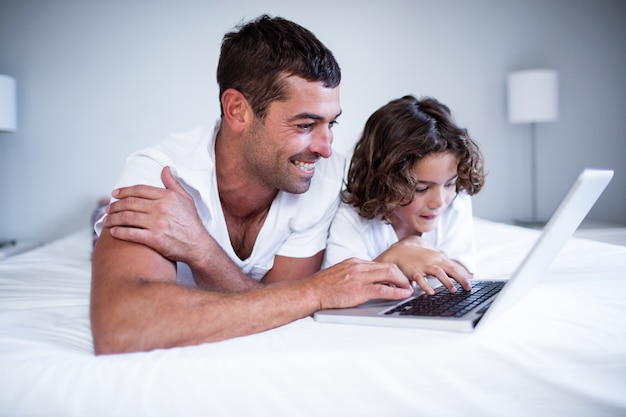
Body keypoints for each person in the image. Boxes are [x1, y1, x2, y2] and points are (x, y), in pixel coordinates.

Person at [90, 15, 413, 355]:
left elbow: (282, 310)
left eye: (332, 123)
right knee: (105, 224)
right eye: (305, 125)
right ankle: (99, 213)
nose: (326, 147)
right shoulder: (160, 175)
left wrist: (201, 249)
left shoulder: (324, 175)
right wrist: (315, 291)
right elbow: (122, 326)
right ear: (237, 110)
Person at [322, 95, 485, 296]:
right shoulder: (351, 214)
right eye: (422, 189)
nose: (439, 202)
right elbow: (339, 287)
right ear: (385, 181)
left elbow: (464, 274)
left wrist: (418, 250)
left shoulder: (457, 201)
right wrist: (395, 256)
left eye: (450, 184)